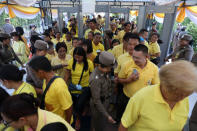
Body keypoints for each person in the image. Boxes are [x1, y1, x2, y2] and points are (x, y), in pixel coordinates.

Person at [118, 60, 197, 131]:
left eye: (187, 95)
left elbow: (180, 125)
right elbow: (124, 126)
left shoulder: (183, 98)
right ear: (165, 85)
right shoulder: (141, 98)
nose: (182, 99)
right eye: (178, 95)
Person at [28, 56, 73, 123]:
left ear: (41, 72)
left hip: (60, 122)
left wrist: (66, 125)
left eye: (35, 73)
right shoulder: (45, 80)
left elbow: (68, 108)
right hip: (52, 118)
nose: (35, 76)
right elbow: (49, 93)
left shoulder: (59, 86)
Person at [1, 93, 75, 131]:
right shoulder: (30, 119)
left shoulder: (52, 126)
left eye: (6, 122)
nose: (4, 123)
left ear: (22, 120)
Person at [65, 47, 94, 130]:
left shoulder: (89, 63)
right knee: (73, 104)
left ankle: (78, 119)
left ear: (83, 56)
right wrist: (63, 85)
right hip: (74, 88)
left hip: (85, 87)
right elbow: (67, 75)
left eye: (79, 57)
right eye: (75, 56)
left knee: (80, 104)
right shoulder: (71, 62)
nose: (77, 59)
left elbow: (91, 76)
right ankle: (80, 112)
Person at [90, 51, 117, 131]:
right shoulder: (95, 79)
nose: (111, 69)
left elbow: (107, 83)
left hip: (105, 102)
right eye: (110, 67)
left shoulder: (104, 72)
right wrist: (107, 115)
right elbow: (96, 100)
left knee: (102, 123)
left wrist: (113, 82)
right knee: (99, 125)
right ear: (105, 66)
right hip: (98, 107)